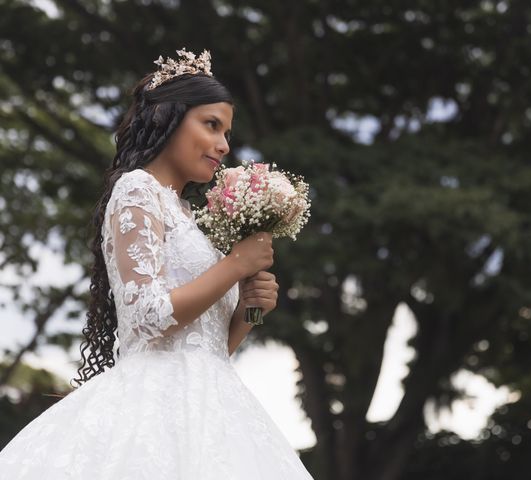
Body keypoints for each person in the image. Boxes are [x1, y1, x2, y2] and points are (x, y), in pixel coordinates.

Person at [0, 48, 315, 479]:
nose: (224, 145)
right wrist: (236, 265)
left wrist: (250, 312)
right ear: (168, 117)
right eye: (211, 125)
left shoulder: (190, 218)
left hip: (215, 408)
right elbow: (148, 316)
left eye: (227, 132)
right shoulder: (137, 190)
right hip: (151, 408)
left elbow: (208, 350)